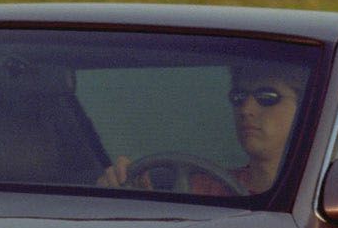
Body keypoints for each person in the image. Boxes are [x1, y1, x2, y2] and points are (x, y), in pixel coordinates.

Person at [98, 61, 308, 197]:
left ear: (304, 108)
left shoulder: (320, 202)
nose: (246, 109)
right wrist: (122, 191)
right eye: (238, 97)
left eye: (266, 97)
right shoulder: (200, 188)